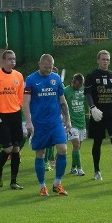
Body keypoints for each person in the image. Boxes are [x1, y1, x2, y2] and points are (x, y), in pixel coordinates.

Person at [23, 54, 72, 196]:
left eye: (50, 67)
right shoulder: (31, 80)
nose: (48, 69)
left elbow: (62, 100)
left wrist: (67, 119)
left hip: (55, 121)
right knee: (40, 153)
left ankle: (57, 183)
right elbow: (25, 102)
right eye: (46, 67)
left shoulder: (56, 79)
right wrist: (29, 121)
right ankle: (42, 186)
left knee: (62, 149)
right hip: (39, 123)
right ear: (39, 64)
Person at [84, 50, 112, 182]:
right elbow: (88, 93)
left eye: (107, 59)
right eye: (103, 59)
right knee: (97, 142)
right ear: (98, 60)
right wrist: (92, 107)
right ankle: (96, 170)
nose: (105, 62)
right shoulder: (92, 76)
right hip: (98, 113)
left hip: (111, 113)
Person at [0, 49, 25, 190]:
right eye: (9, 59)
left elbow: (20, 96)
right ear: (3, 61)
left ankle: (14, 181)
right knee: (7, 148)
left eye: (14, 59)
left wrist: (20, 109)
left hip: (15, 115)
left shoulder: (19, 76)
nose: (12, 61)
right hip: (1, 116)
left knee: (16, 149)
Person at [64, 73, 86, 176]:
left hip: (82, 122)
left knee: (78, 147)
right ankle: (80, 168)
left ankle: (73, 168)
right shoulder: (66, 91)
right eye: (77, 85)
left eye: (80, 85)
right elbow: (61, 104)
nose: (78, 87)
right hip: (71, 123)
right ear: (73, 81)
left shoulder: (83, 90)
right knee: (76, 144)